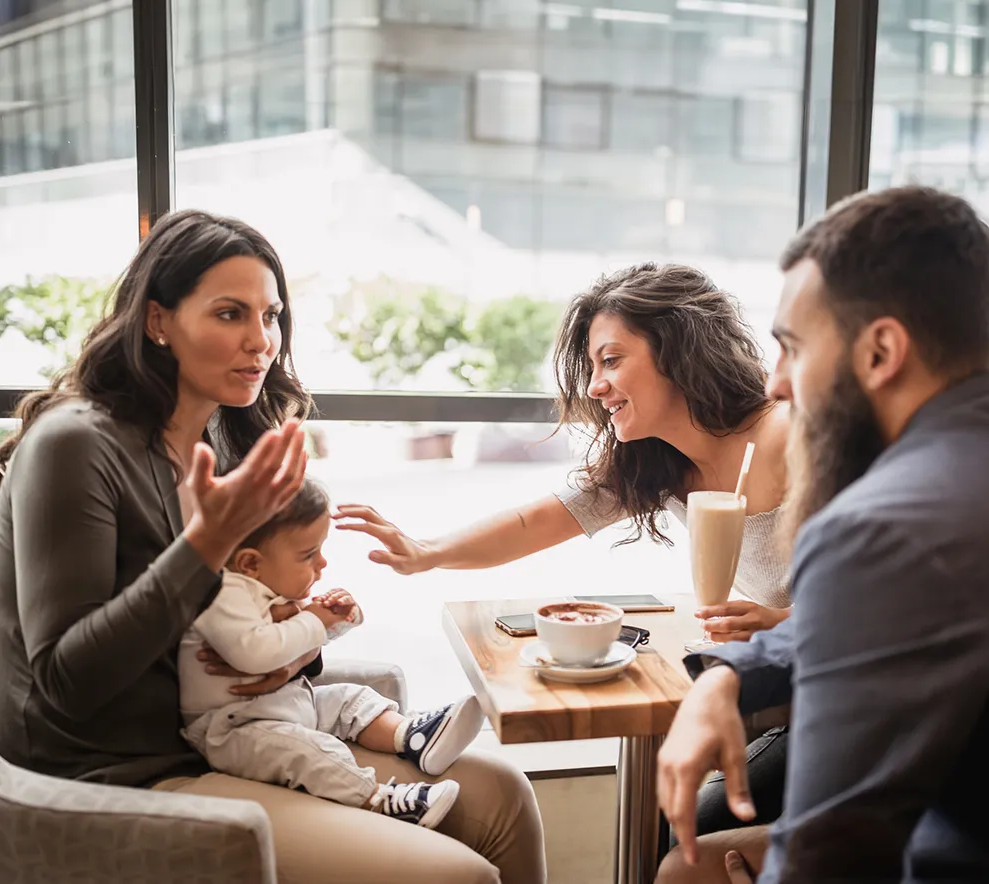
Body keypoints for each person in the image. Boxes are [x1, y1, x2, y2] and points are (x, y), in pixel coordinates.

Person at [0, 209, 546, 884]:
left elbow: (244, 613)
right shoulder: (76, 446)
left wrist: (297, 644)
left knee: (503, 796)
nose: (261, 340)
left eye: (272, 315)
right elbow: (65, 685)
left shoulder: (224, 443)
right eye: (230, 314)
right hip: (121, 772)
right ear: (157, 321)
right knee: (457, 875)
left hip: (229, 735)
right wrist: (207, 545)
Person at [336, 262, 794, 834]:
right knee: (673, 835)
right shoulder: (658, 463)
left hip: (854, 700)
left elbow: (893, 587)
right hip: (784, 692)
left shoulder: (789, 437)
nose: (595, 386)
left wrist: (788, 619)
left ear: (678, 351)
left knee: (685, 841)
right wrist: (425, 551)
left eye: (612, 360)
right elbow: (536, 521)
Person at [656, 185, 989, 883]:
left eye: (793, 349)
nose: (776, 385)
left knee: (684, 867)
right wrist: (730, 672)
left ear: (881, 351)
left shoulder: (879, 526)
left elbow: (833, 853)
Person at [178, 476, 486, 829]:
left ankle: (413, 736)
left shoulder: (265, 585)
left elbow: (300, 643)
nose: (322, 564)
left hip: (279, 704)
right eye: (309, 555)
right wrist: (312, 619)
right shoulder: (222, 594)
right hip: (234, 730)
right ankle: (379, 798)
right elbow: (256, 654)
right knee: (307, 751)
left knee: (348, 699)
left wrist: (339, 618)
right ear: (250, 563)